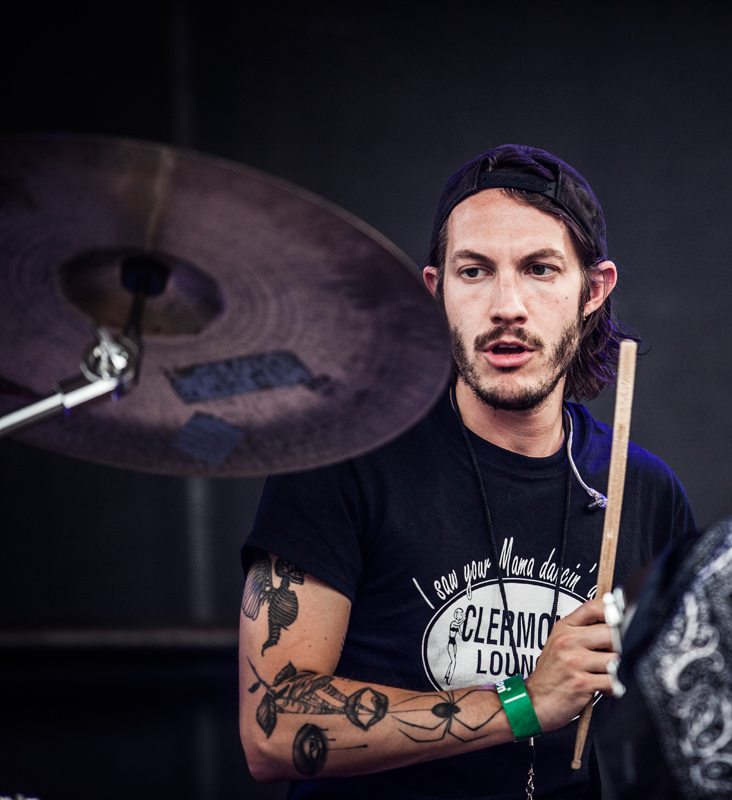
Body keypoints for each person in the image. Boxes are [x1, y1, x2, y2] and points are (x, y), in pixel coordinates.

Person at [239, 144, 697, 799]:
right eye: (475, 271)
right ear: (438, 289)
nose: (506, 304)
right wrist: (521, 703)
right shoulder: (342, 464)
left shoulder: (647, 493)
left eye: (540, 269)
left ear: (593, 290)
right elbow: (272, 728)